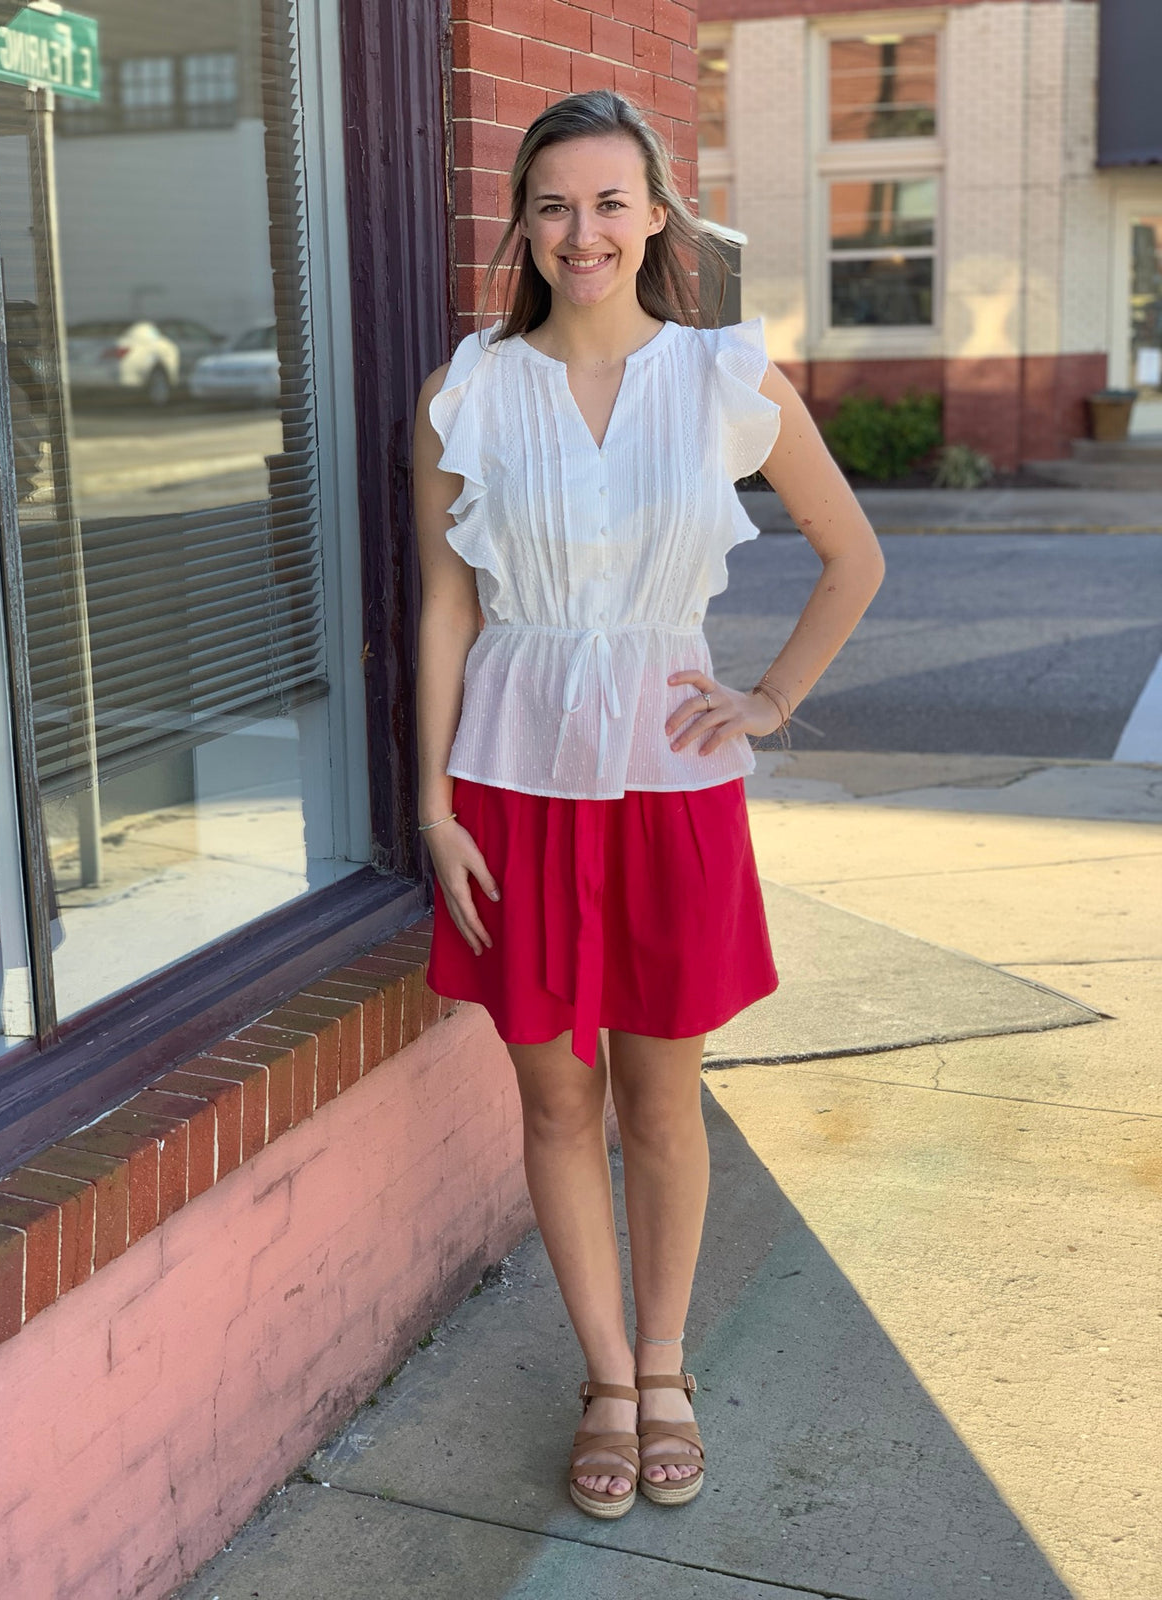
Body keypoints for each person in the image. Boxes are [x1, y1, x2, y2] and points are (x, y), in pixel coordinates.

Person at [412, 89, 884, 1520]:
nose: (583, 231)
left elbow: (850, 554)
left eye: (611, 202)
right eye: (555, 205)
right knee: (555, 1098)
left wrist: (770, 702)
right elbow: (444, 604)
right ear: (525, 224)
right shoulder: (471, 388)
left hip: (671, 782)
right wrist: (434, 803)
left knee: (660, 1101)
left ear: (657, 215)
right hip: (510, 783)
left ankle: (669, 1366)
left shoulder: (724, 377)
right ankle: (607, 1381)